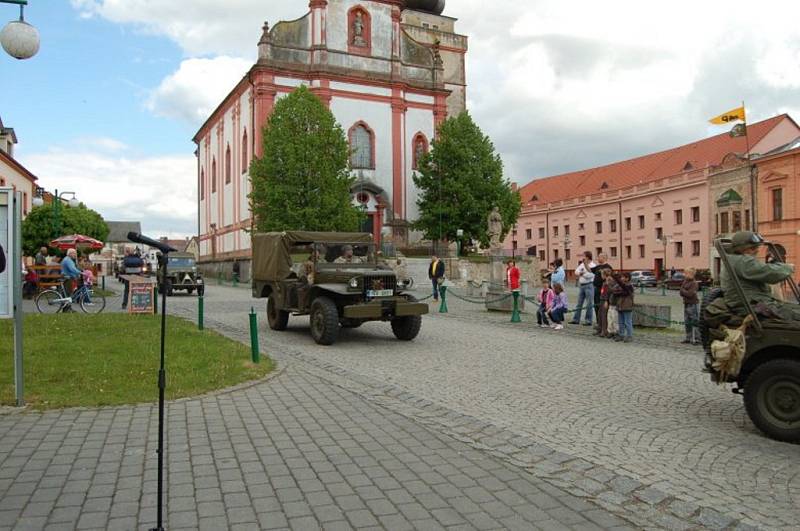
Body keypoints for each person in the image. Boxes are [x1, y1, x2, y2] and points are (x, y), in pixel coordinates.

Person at [721, 231, 795, 316]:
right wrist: (788, 267)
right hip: (753, 306)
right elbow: (770, 273)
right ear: (742, 249)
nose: (757, 251)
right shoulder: (742, 261)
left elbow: (761, 269)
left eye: (756, 247)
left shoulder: (734, 260)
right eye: (753, 248)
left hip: (755, 303)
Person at [571, 252, 597, 326]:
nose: (583, 257)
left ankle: (588, 320)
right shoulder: (582, 264)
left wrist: (582, 274)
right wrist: (581, 273)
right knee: (579, 303)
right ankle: (576, 319)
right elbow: (576, 271)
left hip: (589, 285)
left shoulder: (593, 265)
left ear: (588, 257)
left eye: (584, 256)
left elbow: (590, 275)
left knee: (589, 304)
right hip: (581, 285)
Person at [592, 254, 613, 330]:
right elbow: (590, 270)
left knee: (603, 311)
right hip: (598, 289)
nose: (598, 258)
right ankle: (599, 325)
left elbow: (609, 291)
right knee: (597, 307)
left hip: (603, 293)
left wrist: (606, 300)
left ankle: (604, 328)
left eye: (599, 257)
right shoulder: (598, 267)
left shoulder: (608, 268)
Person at [612, 272, 635, 342]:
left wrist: (616, 278)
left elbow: (625, 291)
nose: (622, 278)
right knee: (620, 322)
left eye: (623, 277)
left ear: (627, 278)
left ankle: (629, 335)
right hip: (620, 305)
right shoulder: (621, 286)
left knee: (627, 322)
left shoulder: (629, 286)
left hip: (627, 306)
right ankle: (621, 334)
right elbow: (615, 291)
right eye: (621, 277)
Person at [680, 267, 700, 345]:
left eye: (685, 273)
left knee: (694, 321)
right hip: (686, 303)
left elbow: (690, 294)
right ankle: (688, 337)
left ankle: (697, 338)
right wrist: (684, 291)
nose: (684, 275)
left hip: (693, 304)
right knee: (687, 321)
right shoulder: (685, 281)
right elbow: (680, 291)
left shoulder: (694, 283)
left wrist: (683, 291)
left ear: (690, 274)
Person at [595, 268, 613, 338]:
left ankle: (604, 331)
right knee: (600, 315)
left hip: (605, 300)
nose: (601, 276)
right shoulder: (605, 282)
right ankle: (600, 329)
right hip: (602, 299)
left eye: (602, 274)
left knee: (604, 316)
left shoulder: (609, 282)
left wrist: (606, 300)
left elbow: (608, 292)